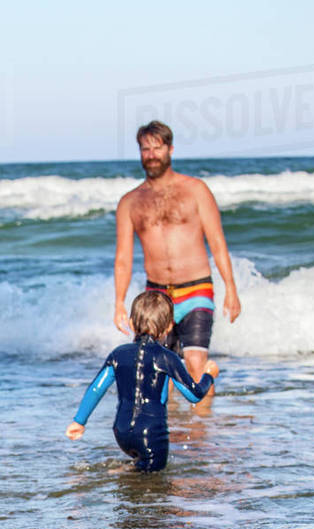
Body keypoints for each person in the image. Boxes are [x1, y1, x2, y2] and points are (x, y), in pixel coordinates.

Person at [113, 120, 240, 414]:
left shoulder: (195, 190)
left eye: (158, 148)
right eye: (146, 149)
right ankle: (167, 435)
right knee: (159, 376)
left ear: (170, 149)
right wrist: (119, 302)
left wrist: (231, 288)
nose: (151, 154)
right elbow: (123, 257)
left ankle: (203, 434)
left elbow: (218, 242)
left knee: (195, 366)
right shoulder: (130, 202)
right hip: (156, 296)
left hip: (196, 289)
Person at [66, 290, 218, 472]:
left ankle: (126, 470)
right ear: (169, 327)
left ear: (131, 323)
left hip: (121, 431)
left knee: (140, 468)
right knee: (155, 480)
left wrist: (79, 421)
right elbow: (193, 395)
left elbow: (96, 389)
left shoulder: (117, 354)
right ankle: (124, 472)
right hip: (151, 433)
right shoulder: (167, 358)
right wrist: (209, 375)